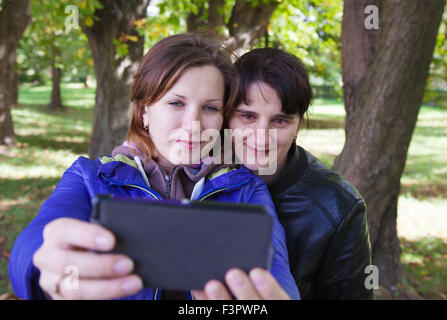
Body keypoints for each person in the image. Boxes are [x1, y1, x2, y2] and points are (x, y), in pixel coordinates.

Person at [8, 34, 299, 300]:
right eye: (176, 103)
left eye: (210, 108)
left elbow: (276, 273)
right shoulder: (89, 176)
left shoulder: (245, 190)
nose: (193, 124)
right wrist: (44, 266)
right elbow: (38, 239)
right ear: (145, 110)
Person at [199, 48, 373, 300]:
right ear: (227, 117)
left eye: (280, 121)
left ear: (298, 125)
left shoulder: (339, 206)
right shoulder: (192, 175)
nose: (261, 136)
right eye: (248, 116)